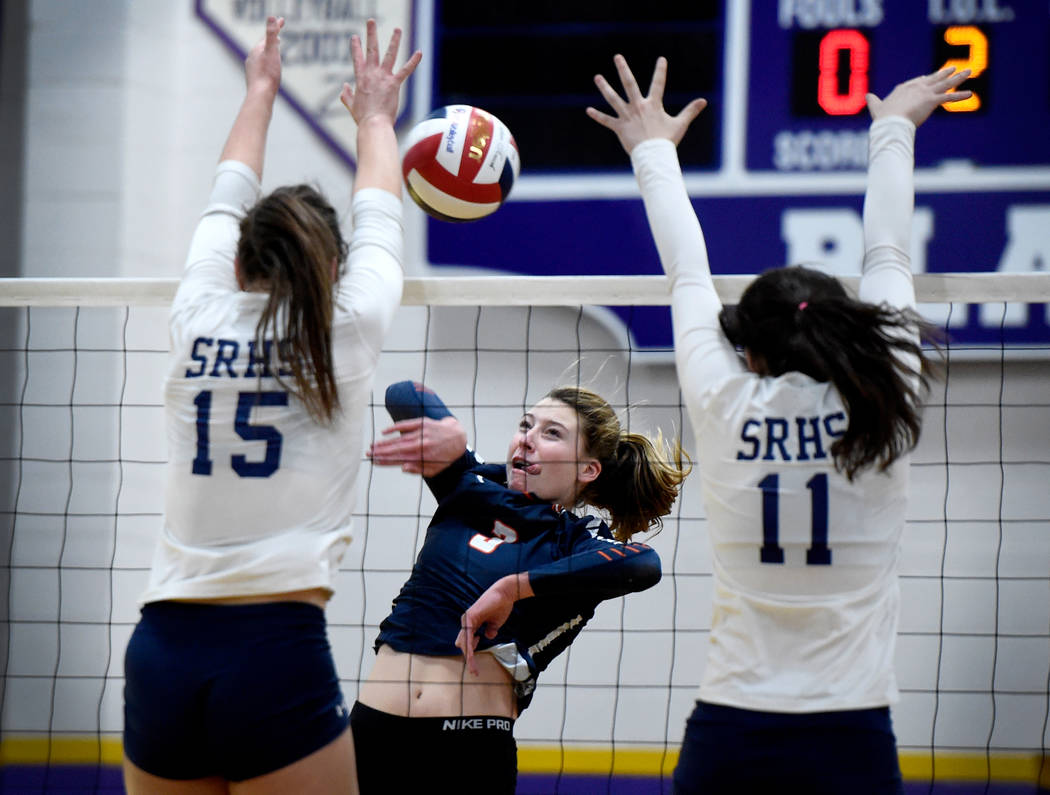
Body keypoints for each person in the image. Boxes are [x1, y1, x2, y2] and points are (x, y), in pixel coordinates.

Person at [588, 55, 972, 794]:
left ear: (751, 351)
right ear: (843, 328)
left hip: (732, 732)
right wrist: (892, 127)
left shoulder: (726, 403)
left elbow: (687, 274)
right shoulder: (885, 395)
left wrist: (652, 147)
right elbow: (888, 250)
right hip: (852, 735)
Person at [121, 17, 420, 794]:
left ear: (237, 261)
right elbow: (382, 212)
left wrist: (259, 89)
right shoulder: (342, 334)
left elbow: (227, 191)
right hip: (270, 647)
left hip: (162, 649)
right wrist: (377, 119)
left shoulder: (195, 315)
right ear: (330, 265)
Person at [351, 379, 689, 793]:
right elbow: (402, 393)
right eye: (526, 425)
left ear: (588, 469)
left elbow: (643, 564)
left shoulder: (576, 539)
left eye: (551, 433)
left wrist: (513, 587)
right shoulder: (467, 485)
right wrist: (453, 434)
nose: (527, 439)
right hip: (371, 732)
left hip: (463, 750)